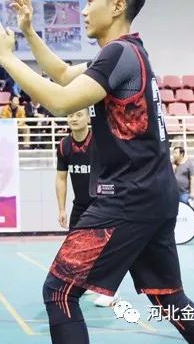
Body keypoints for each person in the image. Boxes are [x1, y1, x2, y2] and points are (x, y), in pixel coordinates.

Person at [0, 0, 194, 343]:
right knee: (169, 298)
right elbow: (62, 74)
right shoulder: (128, 53)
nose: (84, 10)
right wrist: (28, 32)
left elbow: (61, 101)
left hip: (128, 197)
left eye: (90, 1)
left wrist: (6, 58)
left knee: (59, 292)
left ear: (118, 6)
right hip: (154, 196)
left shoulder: (119, 53)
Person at [55, 109, 116, 307]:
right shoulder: (64, 146)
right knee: (73, 247)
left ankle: (109, 292)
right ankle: (83, 283)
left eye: (79, 114)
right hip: (79, 205)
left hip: (102, 204)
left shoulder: (100, 141)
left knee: (105, 249)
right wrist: (61, 209)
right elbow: (61, 178)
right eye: (70, 115)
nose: (74, 118)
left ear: (88, 117)